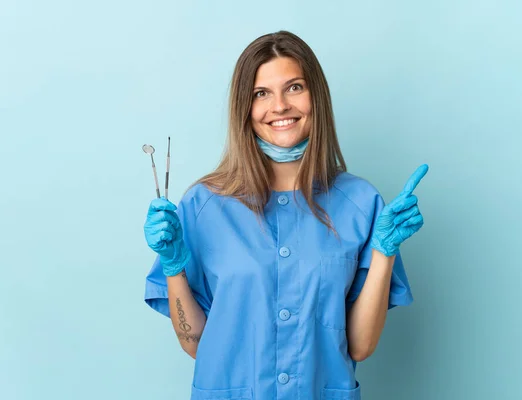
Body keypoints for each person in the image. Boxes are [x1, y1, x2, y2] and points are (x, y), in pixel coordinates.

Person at [143, 30, 428, 400]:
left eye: (294, 87)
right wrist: (173, 266)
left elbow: (360, 346)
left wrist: (384, 253)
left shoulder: (361, 203)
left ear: (316, 97)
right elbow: (196, 343)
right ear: (245, 108)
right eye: (261, 93)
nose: (279, 106)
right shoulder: (203, 205)